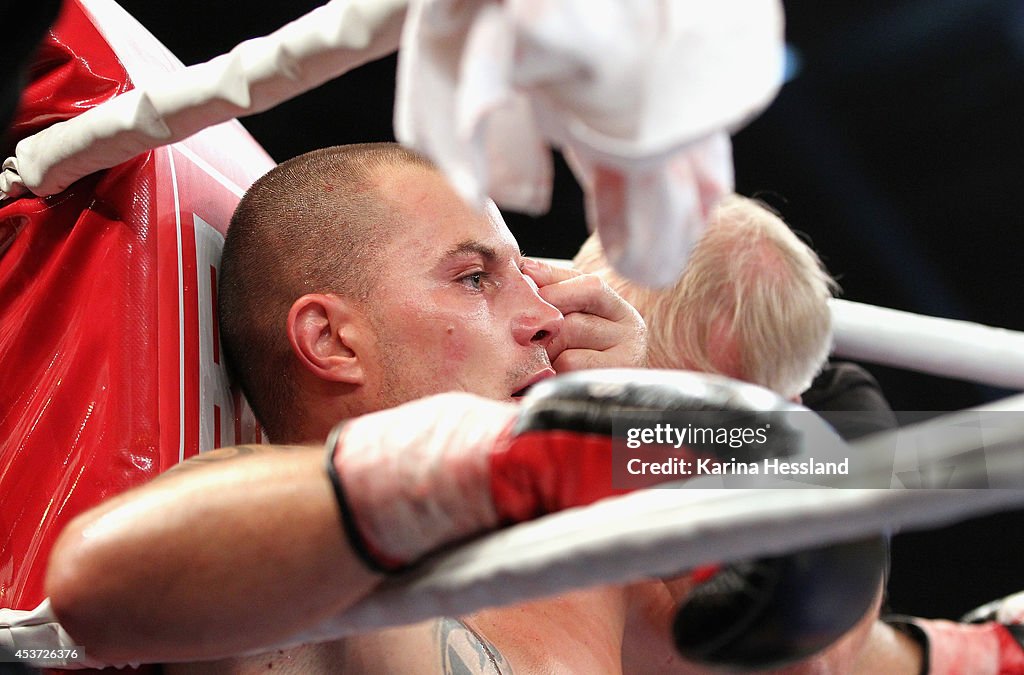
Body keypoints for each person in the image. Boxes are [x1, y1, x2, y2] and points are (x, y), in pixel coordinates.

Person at [44, 144, 906, 673]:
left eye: (526, 274)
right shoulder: (296, 559)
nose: (543, 315)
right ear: (332, 339)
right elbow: (90, 585)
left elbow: (807, 655)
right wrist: (476, 462)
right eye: (473, 278)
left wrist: (648, 423)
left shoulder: (585, 570)